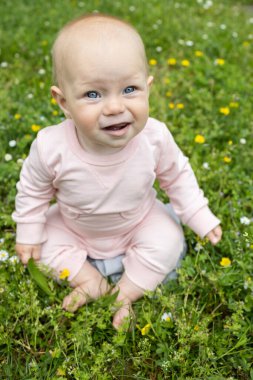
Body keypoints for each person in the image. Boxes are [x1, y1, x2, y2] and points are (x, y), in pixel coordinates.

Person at [12, 13, 222, 329]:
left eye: (129, 89)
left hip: (138, 221)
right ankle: (89, 281)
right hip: (74, 227)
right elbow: (33, 190)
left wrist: (198, 214)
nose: (114, 107)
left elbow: (176, 176)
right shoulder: (51, 146)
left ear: (148, 89)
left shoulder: (154, 137)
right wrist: (28, 229)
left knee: (168, 237)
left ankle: (125, 293)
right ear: (63, 102)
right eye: (93, 94)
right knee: (40, 246)